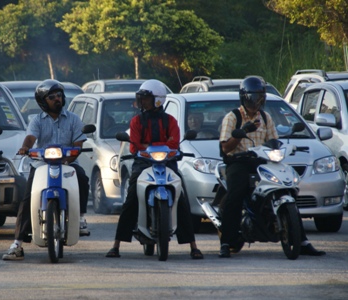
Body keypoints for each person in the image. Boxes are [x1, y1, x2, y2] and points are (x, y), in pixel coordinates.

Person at [218, 76, 326, 258]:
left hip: (263, 162)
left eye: (259, 97)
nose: (256, 102)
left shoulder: (266, 118)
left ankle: (302, 240)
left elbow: (274, 141)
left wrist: (280, 148)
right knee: (235, 196)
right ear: (244, 97)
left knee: (288, 189)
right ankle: (227, 242)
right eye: (252, 97)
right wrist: (243, 131)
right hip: (239, 162)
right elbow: (225, 147)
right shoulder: (233, 117)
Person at [105, 79, 204, 259]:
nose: (142, 101)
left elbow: (174, 144)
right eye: (141, 98)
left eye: (146, 98)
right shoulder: (136, 121)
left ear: (158, 100)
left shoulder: (171, 121)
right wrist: (160, 146)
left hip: (168, 163)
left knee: (181, 199)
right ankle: (116, 245)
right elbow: (135, 147)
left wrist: (150, 146)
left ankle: (193, 246)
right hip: (143, 164)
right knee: (131, 198)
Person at [2, 79, 91, 261]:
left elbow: (78, 144)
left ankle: (81, 218)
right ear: (43, 101)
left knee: (82, 177)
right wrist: (25, 148)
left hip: (67, 162)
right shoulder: (37, 120)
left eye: (59, 95)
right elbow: (30, 138)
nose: (57, 99)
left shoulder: (73, 119)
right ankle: (17, 244)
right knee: (27, 199)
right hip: (42, 165)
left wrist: (69, 158)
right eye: (52, 97)